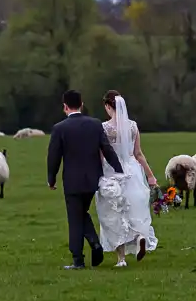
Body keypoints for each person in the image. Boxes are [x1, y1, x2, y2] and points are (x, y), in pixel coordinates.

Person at [47, 90, 124, 270]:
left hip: (72, 181)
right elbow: (107, 149)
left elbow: (53, 156)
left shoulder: (60, 128)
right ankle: (94, 243)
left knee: (75, 218)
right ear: (81, 104)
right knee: (82, 213)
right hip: (92, 179)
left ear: (65, 107)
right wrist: (119, 170)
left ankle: (78, 260)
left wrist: (51, 178)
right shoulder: (95, 124)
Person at [95, 90, 159, 267]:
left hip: (111, 172)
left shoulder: (105, 128)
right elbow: (138, 153)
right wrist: (150, 176)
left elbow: (101, 155)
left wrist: (96, 174)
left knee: (113, 214)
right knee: (132, 210)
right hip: (132, 170)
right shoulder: (133, 126)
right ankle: (139, 237)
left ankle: (121, 259)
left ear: (108, 106)